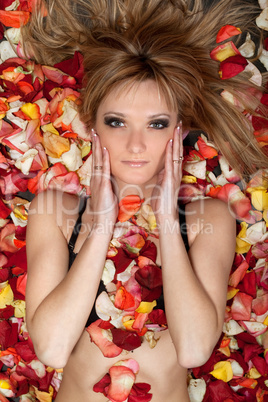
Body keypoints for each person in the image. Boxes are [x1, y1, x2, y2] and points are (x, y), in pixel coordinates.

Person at [24, 0, 267, 401]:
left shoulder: (209, 218)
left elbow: (194, 349)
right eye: (117, 122)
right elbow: (50, 348)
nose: (136, 144)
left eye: (156, 124)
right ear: (92, 125)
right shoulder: (56, 213)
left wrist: (168, 221)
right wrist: (101, 226)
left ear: (179, 128)